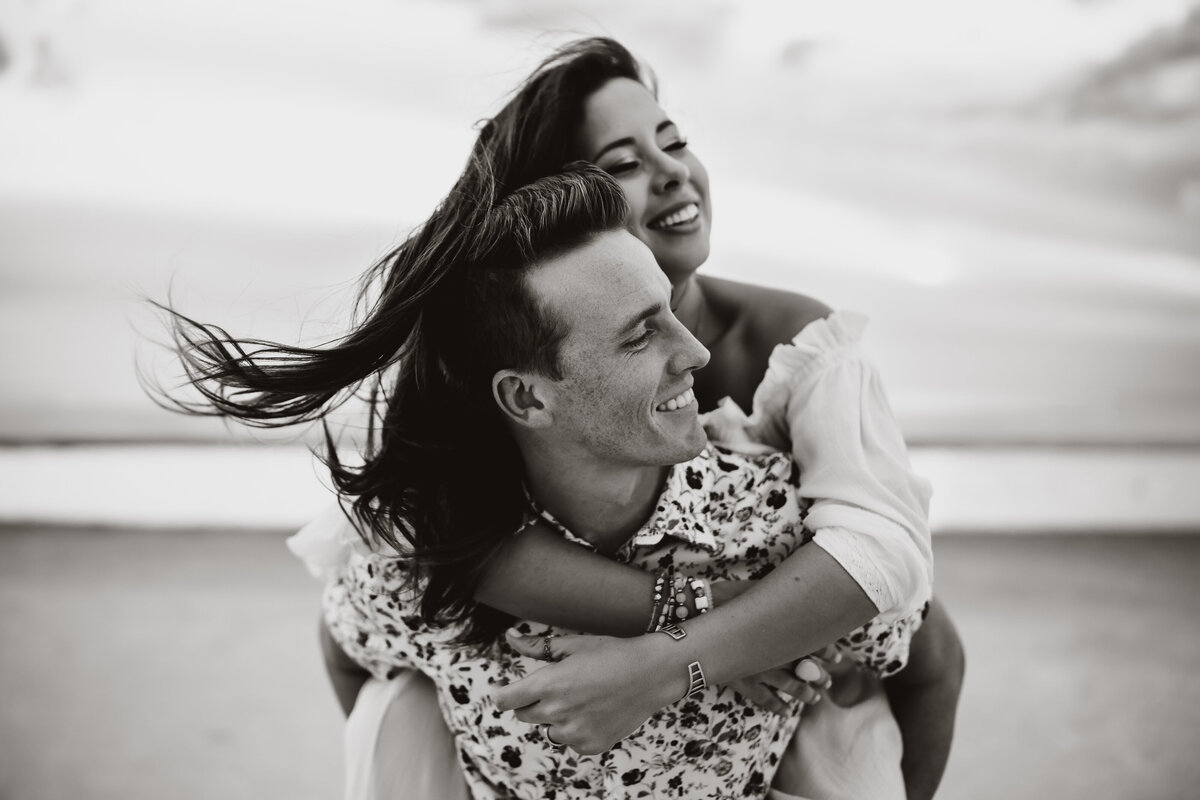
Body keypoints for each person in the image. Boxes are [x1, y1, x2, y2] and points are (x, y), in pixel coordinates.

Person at [293, 36, 962, 800]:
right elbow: (438, 547)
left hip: (789, 692)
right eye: (624, 163)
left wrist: (685, 658)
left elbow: (888, 567)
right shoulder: (492, 394)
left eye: (672, 140)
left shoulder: (794, 353)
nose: (672, 170)